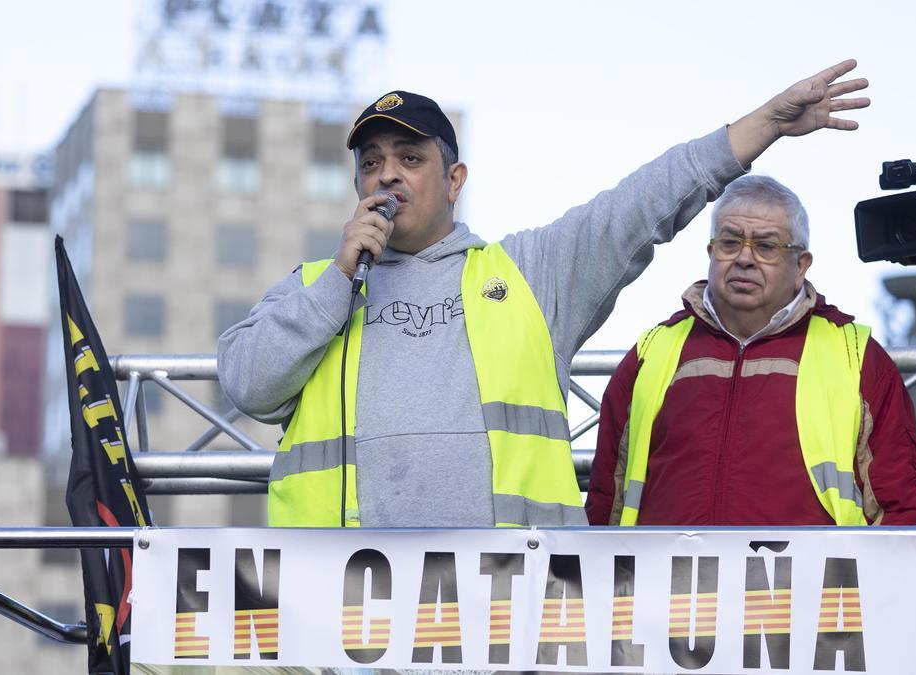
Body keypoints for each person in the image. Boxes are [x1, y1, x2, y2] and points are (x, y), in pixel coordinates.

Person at [218, 61, 871, 528]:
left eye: (410, 157)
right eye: (372, 160)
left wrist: (764, 125)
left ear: (454, 179)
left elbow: (642, 204)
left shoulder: (530, 273)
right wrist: (338, 282)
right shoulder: (318, 286)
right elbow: (246, 385)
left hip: (506, 625)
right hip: (349, 627)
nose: (386, 172)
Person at [586, 174, 916, 526]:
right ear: (711, 252)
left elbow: (904, 509)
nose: (744, 258)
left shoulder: (857, 357)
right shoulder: (651, 353)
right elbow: (605, 503)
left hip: (813, 583)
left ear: (801, 266)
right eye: (729, 242)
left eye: (766, 246)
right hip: (666, 582)